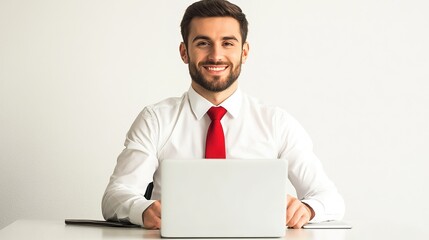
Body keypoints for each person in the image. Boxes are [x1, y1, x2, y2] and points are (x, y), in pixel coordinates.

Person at [102, 0, 345, 230]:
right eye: (203, 43)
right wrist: (143, 211)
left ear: (245, 52)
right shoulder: (155, 120)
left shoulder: (277, 123)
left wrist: (307, 209)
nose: (216, 55)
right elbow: (115, 196)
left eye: (228, 43)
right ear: (184, 52)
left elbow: (330, 199)